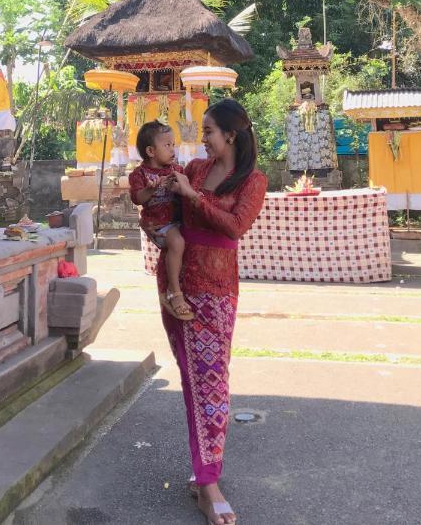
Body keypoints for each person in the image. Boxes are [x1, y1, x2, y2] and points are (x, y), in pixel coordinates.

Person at [165, 99, 268, 525]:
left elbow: (235, 228)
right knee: (193, 380)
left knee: (213, 383)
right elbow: (170, 213)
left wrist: (194, 198)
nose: (201, 139)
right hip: (176, 284)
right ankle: (204, 475)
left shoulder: (253, 181)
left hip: (218, 291)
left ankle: (208, 479)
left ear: (231, 135)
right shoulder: (195, 170)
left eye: (208, 131)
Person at [128, 120, 192, 320]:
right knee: (177, 242)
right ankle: (174, 290)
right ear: (150, 151)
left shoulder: (177, 170)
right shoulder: (139, 174)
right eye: (167, 145)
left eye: (173, 144)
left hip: (176, 220)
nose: (173, 149)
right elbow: (137, 198)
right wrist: (151, 189)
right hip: (159, 224)